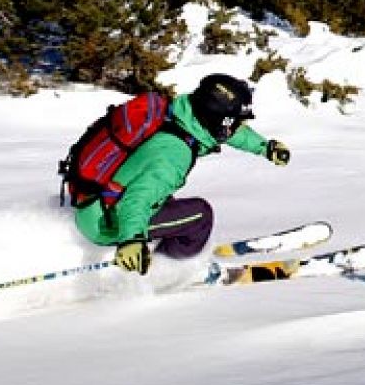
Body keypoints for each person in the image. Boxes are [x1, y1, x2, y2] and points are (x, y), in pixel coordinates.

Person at [72, 73, 291, 274]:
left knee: (170, 203)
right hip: (107, 223)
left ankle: (155, 246)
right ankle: (166, 269)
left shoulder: (179, 116)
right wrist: (131, 240)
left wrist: (265, 147)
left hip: (98, 202)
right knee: (200, 216)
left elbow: (226, 131)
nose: (235, 128)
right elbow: (137, 198)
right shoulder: (174, 155)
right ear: (219, 122)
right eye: (234, 122)